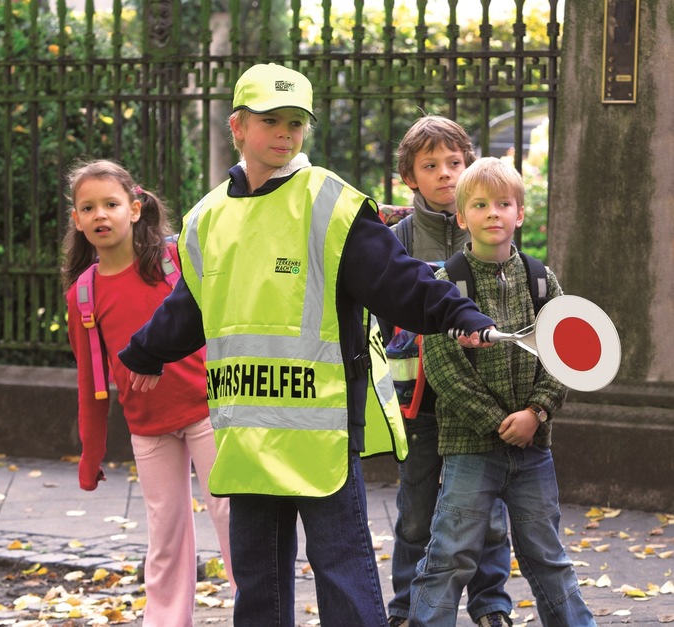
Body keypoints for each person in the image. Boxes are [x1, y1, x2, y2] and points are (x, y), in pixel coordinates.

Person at [117, 63, 495, 627]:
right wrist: (145, 350)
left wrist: (458, 312)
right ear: (238, 125)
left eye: (295, 122)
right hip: (246, 432)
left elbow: (399, 281)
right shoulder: (205, 219)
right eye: (271, 120)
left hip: (322, 435)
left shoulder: (332, 205)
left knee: (342, 573)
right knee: (259, 584)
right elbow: (191, 306)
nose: (285, 133)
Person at [410, 157, 596, 627]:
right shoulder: (446, 283)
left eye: (503, 204)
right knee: (449, 556)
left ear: (520, 213)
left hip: (534, 448)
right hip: (471, 449)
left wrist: (537, 411)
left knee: (548, 557)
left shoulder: (541, 280)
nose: (492, 213)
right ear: (461, 216)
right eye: (480, 205)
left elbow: (565, 355)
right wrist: (496, 422)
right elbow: (444, 369)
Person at [61, 159, 235, 627]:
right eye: (88, 207)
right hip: (148, 428)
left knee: (232, 519)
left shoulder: (172, 262)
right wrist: (89, 454)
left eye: (111, 204)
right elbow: (91, 383)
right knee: (165, 535)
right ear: (77, 220)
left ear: (135, 209)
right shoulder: (83, 293)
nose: (101, 215)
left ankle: (258, 611)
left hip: (207, 412)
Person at [384, 116, 513, 627]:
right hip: (419, 398)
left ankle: (490, 604)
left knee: (489, 512)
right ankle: (405, 608)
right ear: (409, 177)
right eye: (431, 165)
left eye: (455, 163)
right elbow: (381, 308)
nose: (446, 174)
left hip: (481, 399)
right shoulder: (395, 239)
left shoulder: (487, 231)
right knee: (416, 511)